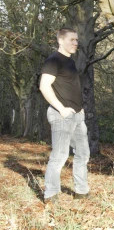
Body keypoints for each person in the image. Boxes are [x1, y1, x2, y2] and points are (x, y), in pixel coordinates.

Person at [39, 27, 90, 202]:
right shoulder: (53, 60)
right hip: (61, 115)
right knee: (60, 156)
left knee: (83, 154)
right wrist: (61, 109)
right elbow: (44, 86)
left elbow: (70, 88)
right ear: (61, 41)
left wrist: (79, 108)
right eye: (72, 40)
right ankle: (51, 194)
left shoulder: (70, 61)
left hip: (77, 115)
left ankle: (81, 191)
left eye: (76, 40)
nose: (76, 43)